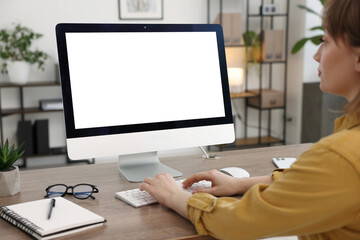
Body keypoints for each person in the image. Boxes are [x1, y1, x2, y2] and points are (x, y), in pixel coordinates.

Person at [139, 0, 360, 239]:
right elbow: (317, 183)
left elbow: (237, 222)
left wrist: (175, 196)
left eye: (324, 41)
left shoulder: (343, 156)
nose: (316, 55)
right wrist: (241, 183)